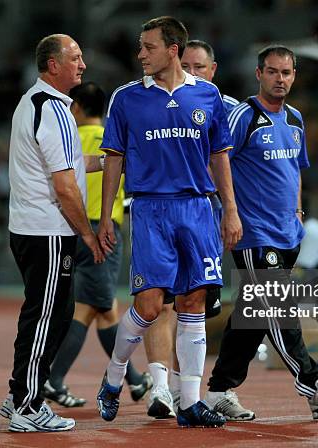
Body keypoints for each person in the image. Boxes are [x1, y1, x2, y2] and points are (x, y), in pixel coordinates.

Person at [95, 16, 242, 428]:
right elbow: (114, 160)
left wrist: (229, 208)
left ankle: (191, 402)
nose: (140, 53)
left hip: (198, 209)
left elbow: (220, 156)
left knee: (194, 302)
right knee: (149, 304)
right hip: (149, 208)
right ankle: (113, 376)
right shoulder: (126, 98)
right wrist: (107, 217)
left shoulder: (209, 96)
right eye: (140, 46)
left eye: (148, 46)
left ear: (172, 49)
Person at [203, 44, 318, 421]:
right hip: (254, 233)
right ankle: (313, 385)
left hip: (288, 232)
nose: (280, 79)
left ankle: (219, 390)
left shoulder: (296, 119)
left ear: (293, 76)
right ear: (259, 74)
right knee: (276, 305)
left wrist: (299, 212)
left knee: (254, 313)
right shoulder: (243, 116)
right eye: (272, 71)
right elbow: (216, 164)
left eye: (286, 73)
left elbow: (296, 170)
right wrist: (230, 212)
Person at [0, 34, 104, 433]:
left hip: (33, 228)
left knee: (52, 316)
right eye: (75, 58)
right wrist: (89, 236)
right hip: (47, 231)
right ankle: (28, 405)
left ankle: (18, 394)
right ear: (53, 65)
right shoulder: (53, 110)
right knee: (46, 317)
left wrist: (120, 160)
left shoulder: (36, 103)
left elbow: (75, 164)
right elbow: (64, 186)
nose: (83, 65)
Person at [45, 82, 152, 407]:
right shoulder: (114, 141)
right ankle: (53, 379)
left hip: (69, 228)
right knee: (90, 307)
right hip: (103, 231)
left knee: (106, 308)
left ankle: (134, 380)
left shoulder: (70, 140)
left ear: (76, 107)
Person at [151, 39, 240, 413]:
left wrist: (232, 211)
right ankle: (165, 389)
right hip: (164, 216)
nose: (191, 72)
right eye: (186, 64)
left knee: (198, 306)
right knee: (162, 303)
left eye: (199, 67)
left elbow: (233, 166)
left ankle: (197, 389)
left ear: (213, 70)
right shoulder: (155, 101)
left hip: (207, 220)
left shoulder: (229, 110)